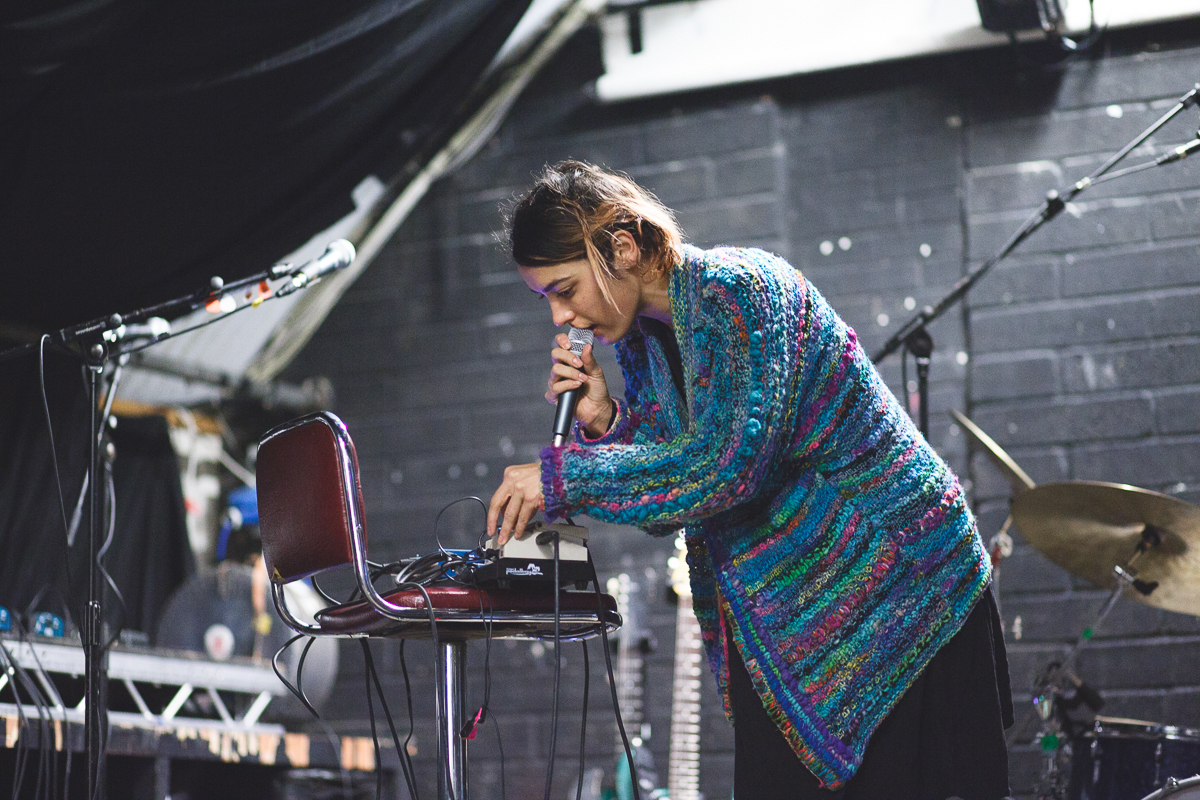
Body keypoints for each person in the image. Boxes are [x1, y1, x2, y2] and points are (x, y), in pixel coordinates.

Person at [486, 160, 1012, 799]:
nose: (559, 316)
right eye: (547, 299)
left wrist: (564, 477)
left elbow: (725, 468)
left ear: (621, 248)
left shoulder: (740, 291)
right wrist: (605, 421)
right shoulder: (645, 340)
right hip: (803, 614)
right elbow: (670, 499)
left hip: (904, 590)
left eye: (565, 289)